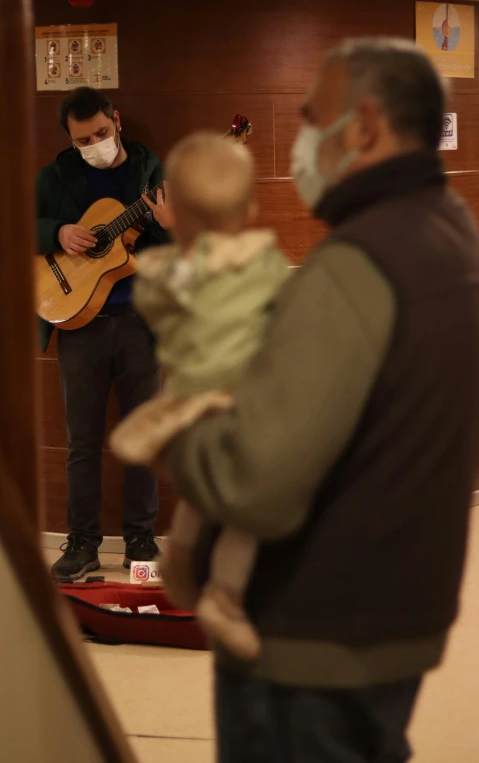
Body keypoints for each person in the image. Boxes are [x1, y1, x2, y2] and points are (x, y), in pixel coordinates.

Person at [164, 39, 479, 763]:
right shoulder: (454, 235)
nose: (301, 141)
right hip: (397, 613)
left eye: (311, 118)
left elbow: (255, 481)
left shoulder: (351, 268)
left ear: (364, 125)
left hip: (306, 639)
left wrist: (180, 434)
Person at [110, 132, 290, 661]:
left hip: (187, 412)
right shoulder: (263, 263)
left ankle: (181, 561)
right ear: (251, 207)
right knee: (242, 513)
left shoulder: (165, 270)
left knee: (199, 496)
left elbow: (157, 307)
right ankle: (226, 599)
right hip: (235, 410)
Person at [36, 87, 171, 581]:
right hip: (78, 324)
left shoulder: (150, 171)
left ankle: (141, 540)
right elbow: (17, 227)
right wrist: (57, 233)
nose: (94, 143)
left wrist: (171, 226)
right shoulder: (54, 177)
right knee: (82, 442)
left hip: (140, 322)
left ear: (116, 120)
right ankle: (82, 543)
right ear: (68, 138)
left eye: (100, 132)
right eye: (82, 139)